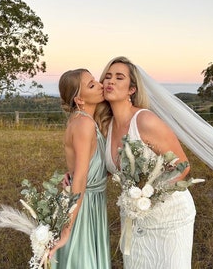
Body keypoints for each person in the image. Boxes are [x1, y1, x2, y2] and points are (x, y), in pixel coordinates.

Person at [99, 56, 197, 269]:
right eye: (107, 77)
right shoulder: (107, 126)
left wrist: (151, 194)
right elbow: (110, 170)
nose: (110, 82)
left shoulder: (145, 120)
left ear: (131, 89)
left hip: (169, 218)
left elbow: (183, 165)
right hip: (134, 220)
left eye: (119, 77)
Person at [49, 69, 111, 269]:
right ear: (79, 100)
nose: (101, 85)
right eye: (92, 85)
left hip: (93, 199)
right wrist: (67, 228)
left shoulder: (83, 120)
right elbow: (81, 177)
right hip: (85, 205)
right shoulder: (84, 123)